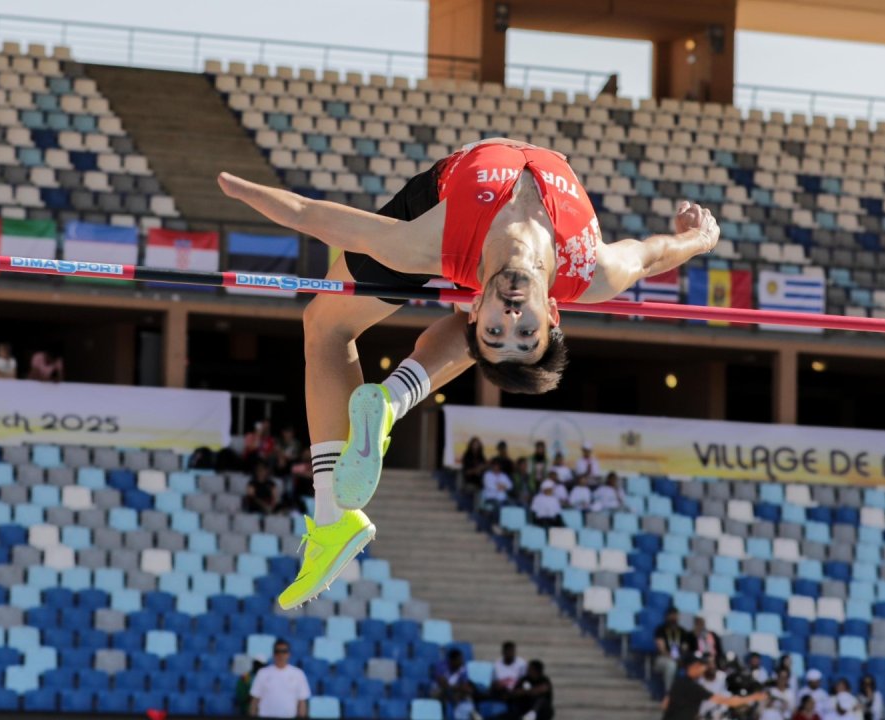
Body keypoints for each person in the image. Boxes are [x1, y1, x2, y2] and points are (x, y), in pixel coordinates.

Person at [219, 138, 721, 609]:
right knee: (363, 330)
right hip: (483, 239)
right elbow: (653, 255)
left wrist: (240, 190)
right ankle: (388, 407)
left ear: (477, 306)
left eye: (495, 327)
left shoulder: (429, 241)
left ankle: (332, 509)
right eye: (525, 331)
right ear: (552, 312)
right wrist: (698, 238)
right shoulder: (592, 271)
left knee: (325, 327)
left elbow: (315, 216)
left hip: (440, 213)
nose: (511, 316)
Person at [661, 654, 766, 720]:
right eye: (699, 666)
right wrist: (753, 697)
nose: (703, 669)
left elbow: (665, 704)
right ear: (692, 667)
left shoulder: (678, 682)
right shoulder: (693, 687)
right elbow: (729, 701)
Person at [249, 640, 310, 719]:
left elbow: (302, 702)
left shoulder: (298, 674)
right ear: (273, 654)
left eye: (284, 651)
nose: (280, 654)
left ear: (289, 654)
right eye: (277, 651)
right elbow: (255, 700)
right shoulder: (262, 673)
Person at [430, 648, 478, 720]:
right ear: (452, 661)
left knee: (468, 695)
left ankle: (472, 714)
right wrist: (458, 688)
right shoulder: (442, 666)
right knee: (443, 692)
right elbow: (443, 684)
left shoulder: (462, 668)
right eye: (459, 660)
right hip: (439, 691)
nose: (461, 662)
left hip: (454, 692)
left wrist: (460, 691)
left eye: (462, 659)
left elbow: (465, 686)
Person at [653, 608, 687, 691]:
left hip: (679, 658)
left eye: (675, 615)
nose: (673, 617)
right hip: (663, 658)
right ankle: (669, 694)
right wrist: (672, 656)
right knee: (671, 665)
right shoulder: (661, 629)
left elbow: (685, 647)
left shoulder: (682, 631)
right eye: (671, 615)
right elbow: (661, 648)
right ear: (667, 616)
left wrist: (681, 656)